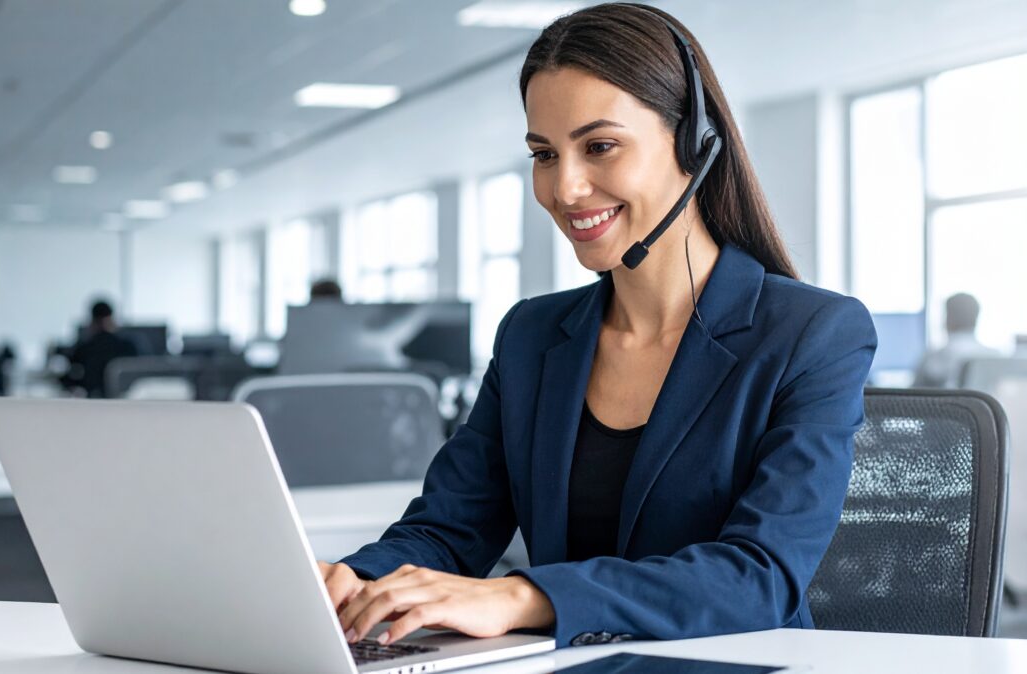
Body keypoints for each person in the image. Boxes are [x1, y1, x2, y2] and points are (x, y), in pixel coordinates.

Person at [319, 3, 877, 648]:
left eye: (600, 146)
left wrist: (525, 594)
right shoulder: (531, 336)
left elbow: (760, 577)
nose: (566, 187)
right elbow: (451, 528)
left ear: (693, 143)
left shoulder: (811, 333)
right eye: (544, 154)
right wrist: (353, 584)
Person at [913, 293, 999, 388]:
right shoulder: (995, 356)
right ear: (975, 319)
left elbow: (912, 396)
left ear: (949, 318)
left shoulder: (935, 357)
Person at [65, 299, 139, 398]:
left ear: (92, 321)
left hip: (93, 400)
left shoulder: (84, 347)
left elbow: (70, 375)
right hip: (124, 399)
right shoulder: (128, 345)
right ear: (112, 319)